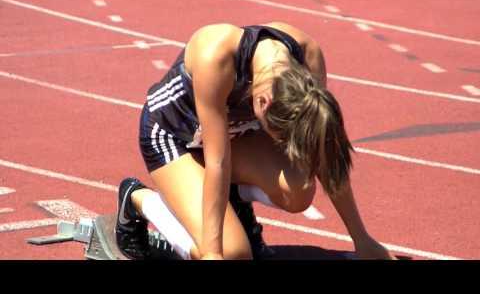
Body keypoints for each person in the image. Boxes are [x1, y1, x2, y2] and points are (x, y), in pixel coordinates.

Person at [114, 22, 396, 260]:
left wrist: (363, 240)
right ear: (263, 101)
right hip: (172, 139)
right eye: (281, 135)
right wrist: (212, 253)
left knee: (299, 189)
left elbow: (324, 153)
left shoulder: (307, 56)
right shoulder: (217, 57)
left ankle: (232, 202)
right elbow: (218, 162)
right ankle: (138, 198)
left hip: (230, 140)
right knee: (234, 254)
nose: (285, 146)